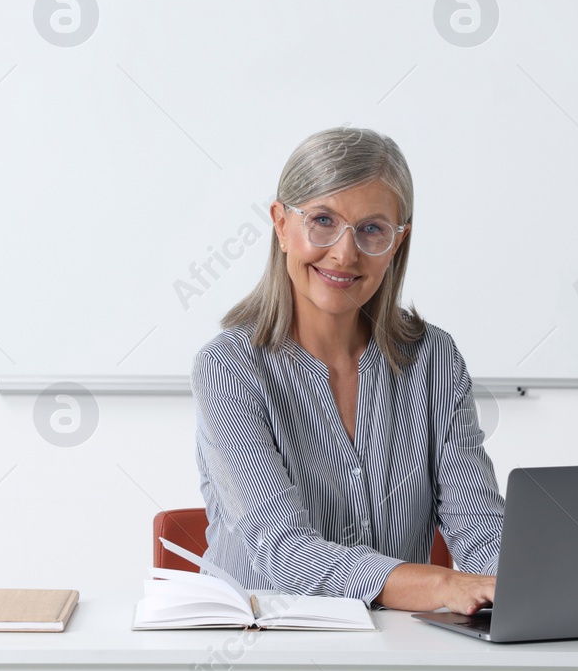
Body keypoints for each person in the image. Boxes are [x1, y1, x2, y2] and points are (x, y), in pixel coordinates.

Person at [192, 126, 502, 614]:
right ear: (280, 224)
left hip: (394, 647)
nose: (344, 253)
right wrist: (443, 587)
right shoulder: (229, 368)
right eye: (322, 220)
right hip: (258, 649)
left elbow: (478, 522)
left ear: (399, 240)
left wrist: (508, 582)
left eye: (372, 229)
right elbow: (285, 556)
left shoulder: (434, 359)